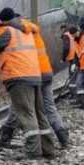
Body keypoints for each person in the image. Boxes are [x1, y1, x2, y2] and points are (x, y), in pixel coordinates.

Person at [0, 7, 55, 159]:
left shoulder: (7, 31)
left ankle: (33, 151)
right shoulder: (26, 31)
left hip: (18, 77)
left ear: (3, 21)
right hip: (34, 75)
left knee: (26, 113)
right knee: (39, 113)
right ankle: (48, 148)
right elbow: (10, 52)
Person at [23, 19, 69, 148]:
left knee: (23, 106)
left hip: (34, 75)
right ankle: (62, 136)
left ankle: (7, 134)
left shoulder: (22, 35)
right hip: (47, 73)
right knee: (49, 106)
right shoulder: (36, 33)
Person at [61, 25, 80, 103]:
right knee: (75, 76)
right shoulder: (72, 35)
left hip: (73, 59)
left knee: (72, 77)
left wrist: (63, 58)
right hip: (77, 58)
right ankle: (74, 95)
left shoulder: (66, 35)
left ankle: (74, 96)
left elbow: (66, 48)